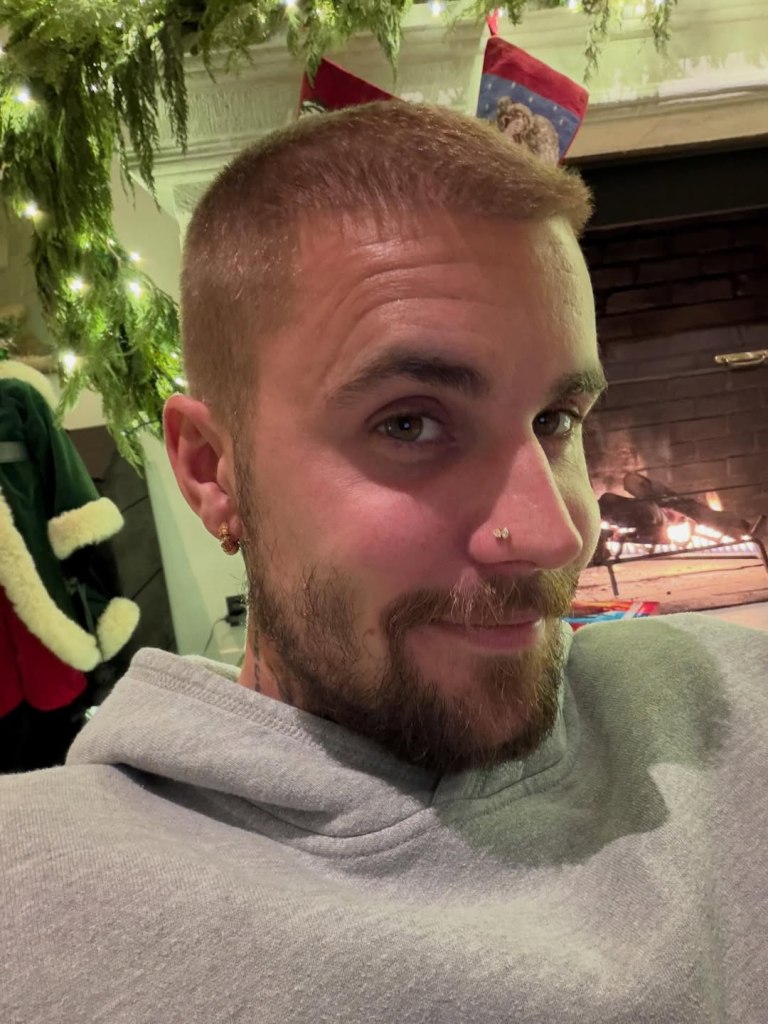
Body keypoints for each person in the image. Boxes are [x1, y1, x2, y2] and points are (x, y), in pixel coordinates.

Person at [2, 102, 767, 1024]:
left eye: (557, 421)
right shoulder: (40, 900)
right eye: (409, 422)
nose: (560, 535)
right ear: (212, 471)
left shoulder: (725, 699)